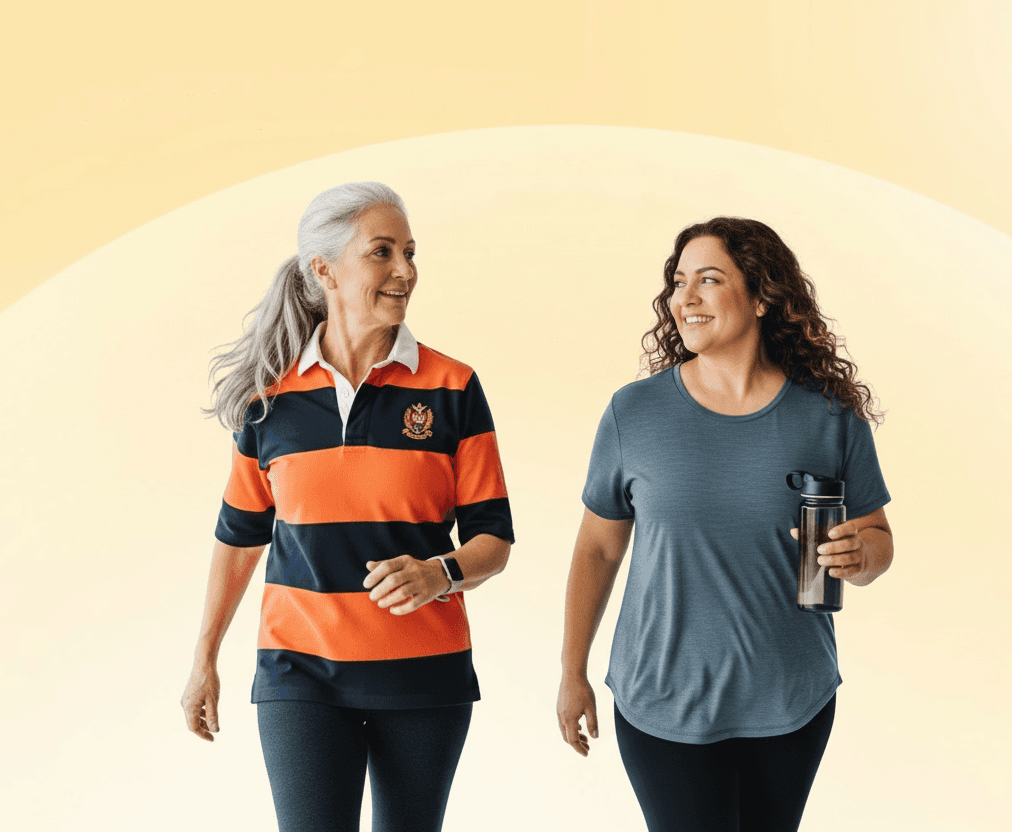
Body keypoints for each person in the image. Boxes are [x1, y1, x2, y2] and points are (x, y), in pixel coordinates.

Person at [181, 182, 514, 832]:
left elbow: (492, 539)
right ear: (324, 270)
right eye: (382, 252)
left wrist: (439, 572)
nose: (405, 271)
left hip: (424, 678)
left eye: (410, 253)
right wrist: (204, 658)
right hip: (299, 672)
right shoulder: (269, 401)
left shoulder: (453, 387)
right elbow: (240, 537)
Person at [556, 217, 892, 832]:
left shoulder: (829, 416)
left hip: (791, 698)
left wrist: (860, 556)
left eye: (709, 280)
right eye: (679, 282)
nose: (685, 297)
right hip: (660, 696)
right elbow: (599, 550)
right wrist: (571, 672)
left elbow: (877, 537)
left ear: (762, 296)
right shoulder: (634, 412)